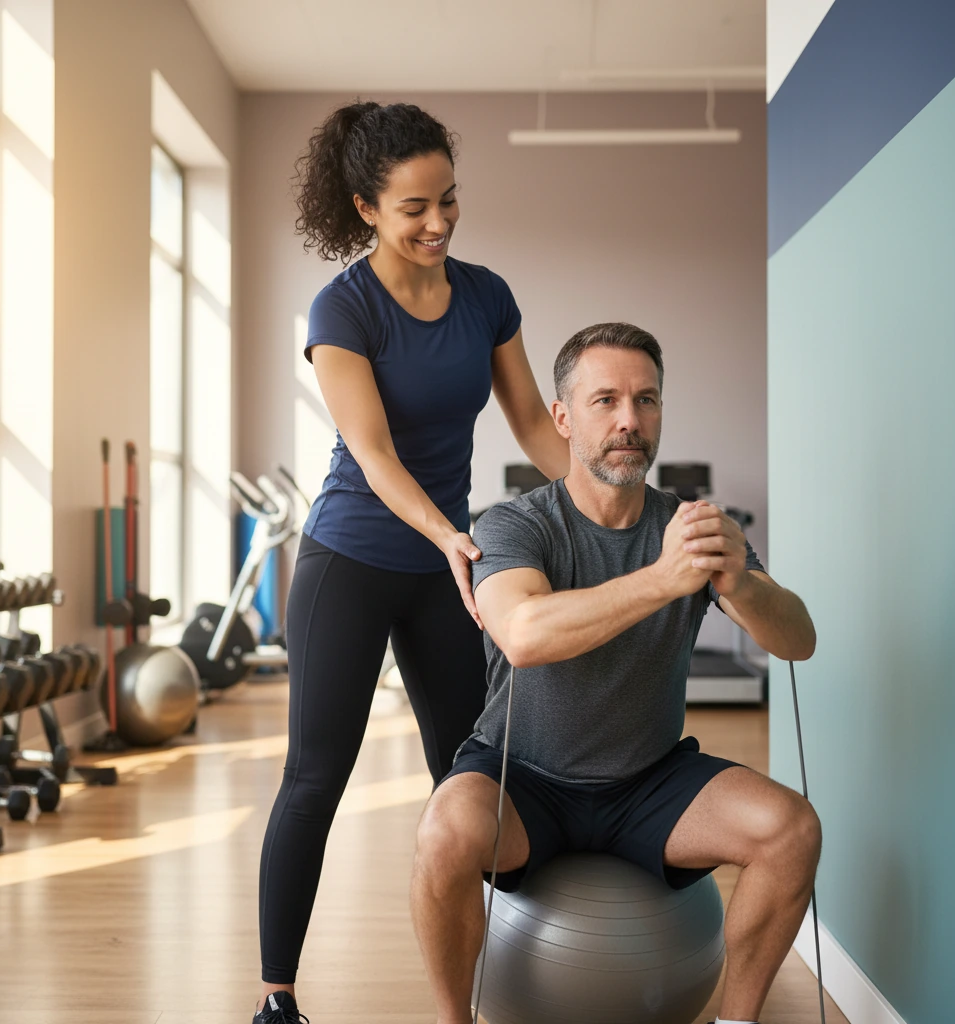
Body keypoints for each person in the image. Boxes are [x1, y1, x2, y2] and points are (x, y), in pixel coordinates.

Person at [253, 102, 570, 1023]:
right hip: (350, 559)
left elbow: (529, 426)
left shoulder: (485, 295)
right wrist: (448, 537)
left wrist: (607, 504)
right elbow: (375, 452)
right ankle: (277, 997)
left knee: (467, 777)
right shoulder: (341, 308)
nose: (437, 223)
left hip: (447, 564)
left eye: (449, 200)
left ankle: (494, 976)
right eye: (413, 208)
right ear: (365, 208)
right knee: (316, 776)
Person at [411, 322, 819, 1024]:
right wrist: (665, 580)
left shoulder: (691, 527)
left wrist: (742, 587)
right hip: (524, 776)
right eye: (606, 401)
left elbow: (798, 641)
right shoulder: (515, 525)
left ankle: (738, 1020)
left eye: (647, 400)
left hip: (648, 780)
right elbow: (526, 633)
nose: (630, 420)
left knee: (791, 829)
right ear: (563, 418)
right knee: (443, 832)